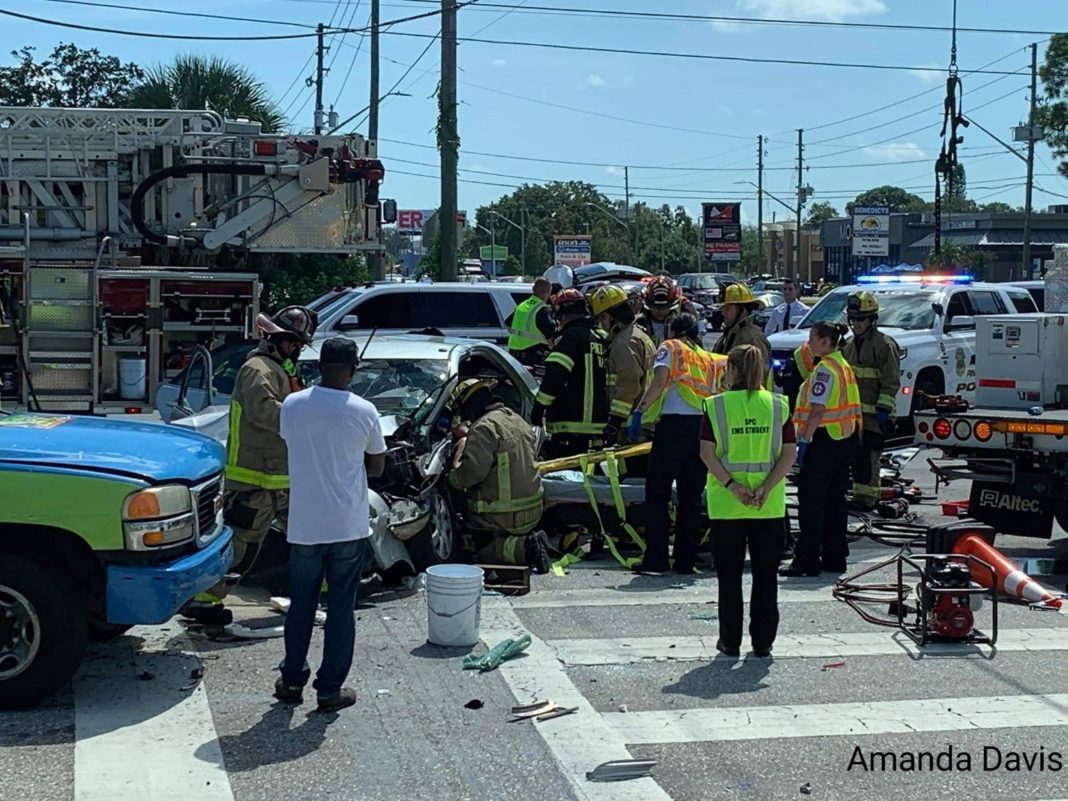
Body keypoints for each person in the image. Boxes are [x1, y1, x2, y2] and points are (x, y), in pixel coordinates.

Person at [181, 305, 317, 626]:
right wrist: (310, 417)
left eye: (300, 344)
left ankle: (320, 592)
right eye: (293, 343)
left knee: (310, 536)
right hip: (257, 479)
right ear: (274, 338)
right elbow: (265, 412)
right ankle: (203, 600)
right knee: (241, 544)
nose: (297, 350)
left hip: (281, 478)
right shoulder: (258, 370)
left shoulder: (282, 371)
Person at [274, 337, 386, 712]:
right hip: (347, 526)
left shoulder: (292, 405)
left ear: (318, 367)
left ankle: (291, 680)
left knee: (301, 604)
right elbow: (377, 466)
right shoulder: (364, 410)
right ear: (353, 370)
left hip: (305, 525)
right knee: (340, 606)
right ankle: (329, 689)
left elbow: (292, 443)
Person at [701, 344, 796, 658]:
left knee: (729, 578)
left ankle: (730, 641)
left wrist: (732, 485)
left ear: (733, 370)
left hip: (727, 505)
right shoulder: (778, 405)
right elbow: (789, 454)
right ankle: (763, 642)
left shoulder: (715, 406)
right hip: (767, 505)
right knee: (766, 576)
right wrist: (767, 487)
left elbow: (706, 453)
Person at [631, 313, 722, 575]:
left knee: (657, 494)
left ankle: (656, 560)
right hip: (700, 428)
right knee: (690, 498)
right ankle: (685, 561)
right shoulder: (706, 358)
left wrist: (640, 410)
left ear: (674, 330)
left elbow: (660, 381)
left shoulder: (669, 348)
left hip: (673, 427)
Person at [780, 322, 862, 577]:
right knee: (835, 502)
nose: (809, 343)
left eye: (812, 338)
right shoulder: (843, 365)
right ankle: (834, 557)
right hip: (844, 439)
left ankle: (806, 560)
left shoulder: (825, 369)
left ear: (825, 342)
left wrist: (803, 441)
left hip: (823, 440)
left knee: (811, 502)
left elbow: (816, 410)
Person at [445, 379, 551, 573]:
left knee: (474, 549)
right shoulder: (517, 420)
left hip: (503, 516)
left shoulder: (484, 428)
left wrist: (450, 479)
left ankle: (525, 547)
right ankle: (523, 538)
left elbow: (470, 474)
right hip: (533, 510)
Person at [841, 291, 901, 510]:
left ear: (872, 319)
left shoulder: (884, 345)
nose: (856, 323)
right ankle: (859, 496)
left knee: (869, 459)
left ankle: (868, 499)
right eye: (853, 319)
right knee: (857, 459)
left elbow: (891, 380)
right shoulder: (847, 345)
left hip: (876, 416)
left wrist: (884, 410)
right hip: (854, 417)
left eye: (861, 319)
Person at [532, 288, 609, 459]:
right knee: (592, 479)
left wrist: (539, 407)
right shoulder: (603, 337)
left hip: (570, 425)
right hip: (600, 425)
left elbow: (556, 375)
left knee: (567, 480)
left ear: (561, 315)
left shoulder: (569, 338)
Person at [589, 284, 656, 444]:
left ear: (612, 316)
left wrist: (615, 421)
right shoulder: (639, 335)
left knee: (632, 469)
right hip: (645, 421)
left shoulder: (624, 343)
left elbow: (628, 383)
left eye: (602, 318)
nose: (601, 324)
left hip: (632, 426)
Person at [712, 283, 771, 366]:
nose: (723, 312)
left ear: (742, 310)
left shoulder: (753, 337)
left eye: (728, 308)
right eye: (722, 308)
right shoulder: (730, 333)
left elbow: (758, 373)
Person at [506, 277, 556, 367]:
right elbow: (551, 338)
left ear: (533, 289)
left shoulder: (522, 305)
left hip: (513, 354)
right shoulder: (543, 309)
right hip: (532, 355)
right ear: (549, 292)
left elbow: (507, 324)